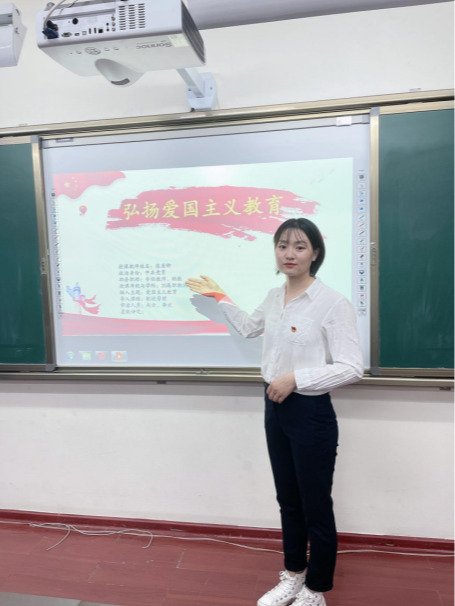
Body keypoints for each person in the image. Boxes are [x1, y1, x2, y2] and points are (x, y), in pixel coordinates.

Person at [186, 218, 364, 606]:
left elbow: (352, 367)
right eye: (282, 245)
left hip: (311, 412)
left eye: (299, 246)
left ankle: (316, 589)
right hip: (275, 406)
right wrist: (220, 296)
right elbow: (249, 328)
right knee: (288, 499)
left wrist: (296, 378)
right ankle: (294, 574)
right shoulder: (273, 296)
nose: (289, 254)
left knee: (316, 504)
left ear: (315, 253)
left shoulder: (332, 303)